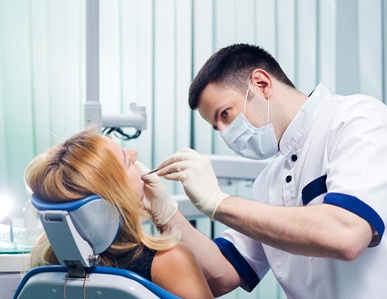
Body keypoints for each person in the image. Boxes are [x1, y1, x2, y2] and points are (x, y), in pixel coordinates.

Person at [140, 44, 387, 298]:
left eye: (225, 114)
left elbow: (347, 234)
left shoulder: (357, 120)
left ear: (261, 83)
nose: (225, 133)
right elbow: (221, 274)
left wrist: (219, 203)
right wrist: (163, 210)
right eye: (217, 127)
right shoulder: (268, 183)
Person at [24, 128, 214, 299]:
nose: (134, 154)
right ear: (116, 194)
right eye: (127, 162)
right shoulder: (170, 261)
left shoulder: (45, 257)